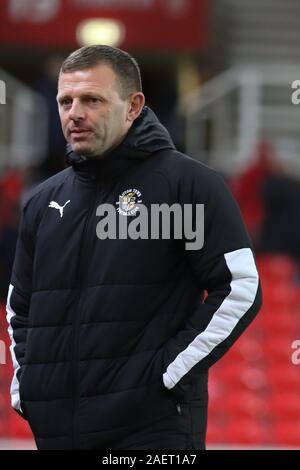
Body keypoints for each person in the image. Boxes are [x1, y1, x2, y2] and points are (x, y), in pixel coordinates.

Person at [6, 45, 262, 450]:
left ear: (133, 106)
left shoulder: (188, 185)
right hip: (56, 433)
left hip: (150, 434)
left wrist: (164, 379)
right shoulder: (42, 201)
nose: (75, 113)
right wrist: (28, 385)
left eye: (92, 99)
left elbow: (240, 287)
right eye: (65, 101)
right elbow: (20, 304)